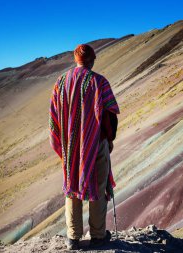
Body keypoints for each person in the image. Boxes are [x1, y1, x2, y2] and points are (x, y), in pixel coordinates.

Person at [49, 44, 120, 250]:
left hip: (70, 146)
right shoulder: (99, 82)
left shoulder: (61, 82)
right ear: (92, 59)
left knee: (72, 187)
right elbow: (110, 114)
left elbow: (54, 117)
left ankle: (73, 237)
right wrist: (110, 138)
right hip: (96, 143)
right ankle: (98, 235)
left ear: (75, 59)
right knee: (98, 186)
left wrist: (64, 142)